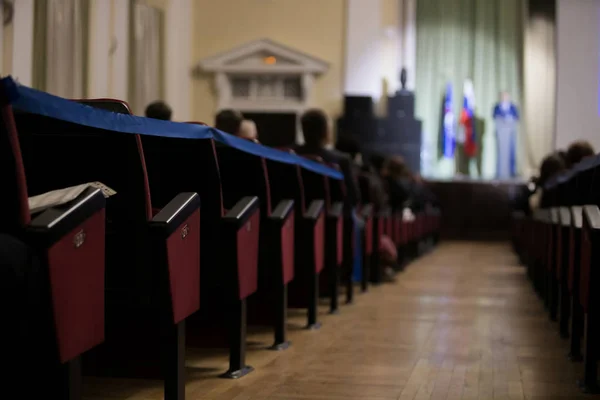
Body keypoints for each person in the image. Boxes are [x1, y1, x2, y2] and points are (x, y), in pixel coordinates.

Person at [295, 109, 360, 210]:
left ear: (303, 130)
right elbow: (353, 198)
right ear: (326, 131)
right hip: (332, 217)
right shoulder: (341, 160)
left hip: (294, 215)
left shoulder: (288, 156)